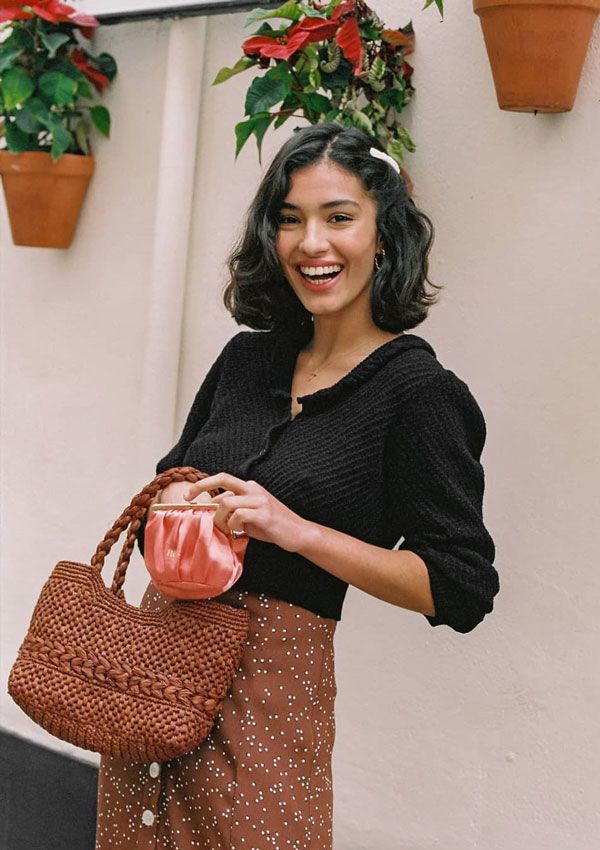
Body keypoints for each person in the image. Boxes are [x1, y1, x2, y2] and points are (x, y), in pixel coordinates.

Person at [95, 123, 499, 849]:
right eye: (289, 219)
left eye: (339, 218)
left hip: (272, 694)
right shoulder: (247, 361)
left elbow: (458, 585)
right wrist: (177, 502)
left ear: (383, 235)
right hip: (151, 680)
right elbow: (170, 478)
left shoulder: (419, 394)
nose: (312, 243)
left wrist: (295, 530)